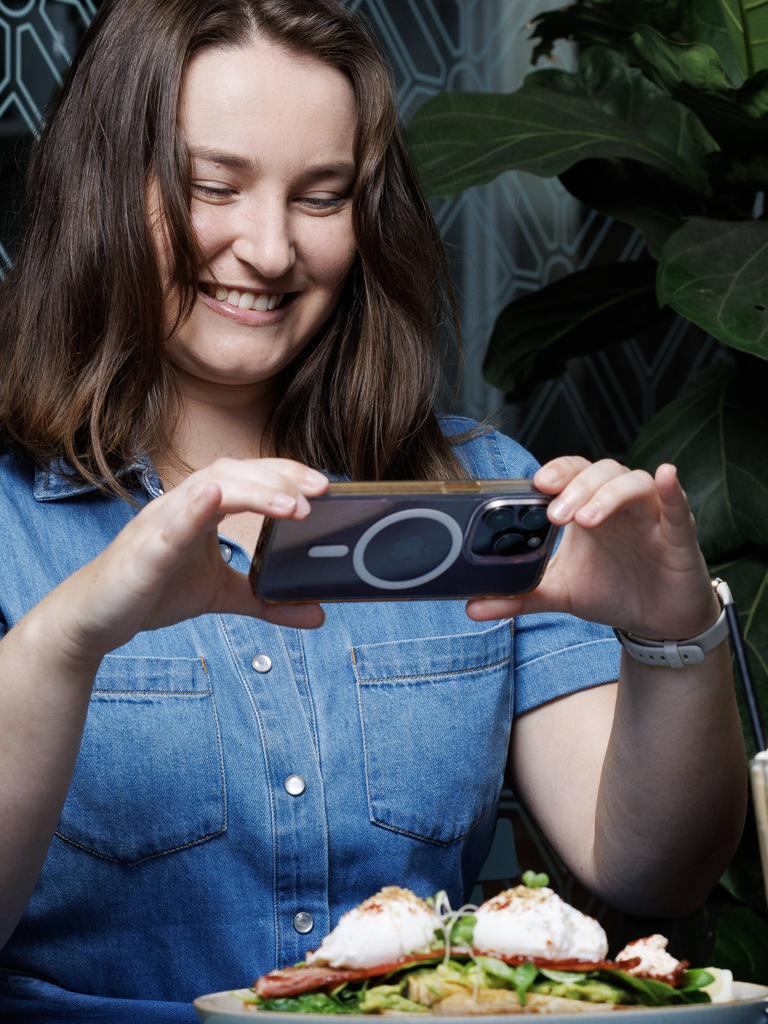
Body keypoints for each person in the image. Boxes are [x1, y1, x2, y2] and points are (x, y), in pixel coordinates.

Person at [0, 0, 747, 1020]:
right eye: (213, 185)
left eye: (321, 197)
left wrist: (674, 637)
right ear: (101, 190)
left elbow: (652, 871)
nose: (268, 250)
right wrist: (65, 641)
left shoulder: (485, 490)